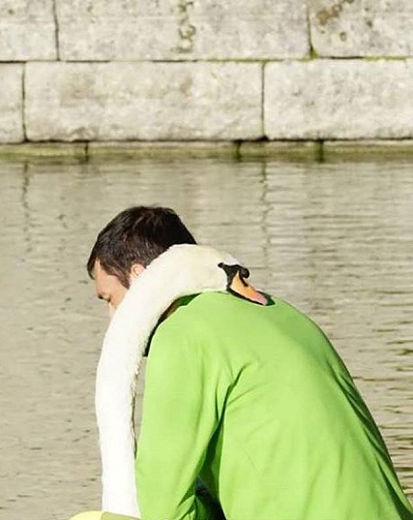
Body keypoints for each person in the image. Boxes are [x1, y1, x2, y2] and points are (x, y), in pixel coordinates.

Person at [85, 206, 413, 520]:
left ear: (140, 277)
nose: (112, 318)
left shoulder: (183, 334)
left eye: (110, 299)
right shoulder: (281, 312)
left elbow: (162, 507)